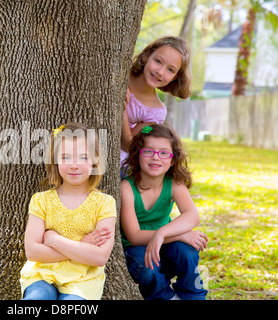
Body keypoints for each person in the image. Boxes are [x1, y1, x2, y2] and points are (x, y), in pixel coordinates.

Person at [20, 123, 116, 300]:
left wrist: (54, 240)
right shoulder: (42, 200)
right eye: (65, 157)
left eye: (82, 157)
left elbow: (100, 257)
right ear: (55, 161)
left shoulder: (104, 203)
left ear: (95, 160)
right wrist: (82, 246)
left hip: (83, 280)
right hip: (42, 274)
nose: (74, 165)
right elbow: (32, 252)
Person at [120, 124, 208, 300]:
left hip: (165, 247)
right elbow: (134, 236)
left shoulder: (174, 183)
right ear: (137, 155)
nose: (155, 158)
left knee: (187, 252)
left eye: (163, 153)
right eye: (148, 151)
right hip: (137, 250)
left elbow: (192, 215)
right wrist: (177, 235)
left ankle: (193, 296)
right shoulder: (127, 188)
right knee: (146, 267)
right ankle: (164, 296)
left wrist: (162, 234)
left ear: (173, 159)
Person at [121, 36, 191, 168]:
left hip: (117, 160)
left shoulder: (156, 114)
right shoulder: (122, 73)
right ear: (146, 56)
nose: (160, 72)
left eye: (170, 70)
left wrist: (122, 111)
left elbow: (128, 144)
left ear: (175, 77)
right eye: (158, 61)